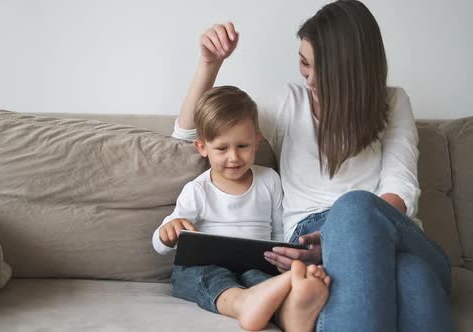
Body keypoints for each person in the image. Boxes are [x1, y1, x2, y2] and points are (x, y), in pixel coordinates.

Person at [172, 1, 454, 331]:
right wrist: (210, 63)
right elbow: (189, 135)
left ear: (356, 72)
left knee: (356, 207)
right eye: (305, 63)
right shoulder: (288, 103)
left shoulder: (392, 102)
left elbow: (400, 188)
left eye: (326, 71)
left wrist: (341, 235)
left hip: (390, 230)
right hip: (312, 240)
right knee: (413, 275)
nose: (311, 79)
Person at [152, 85, 331, 331]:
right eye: (222, 149)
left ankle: (290, 313)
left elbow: (279, 233)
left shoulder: (270, 180)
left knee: (261, 280)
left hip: (254, 267)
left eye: (243, 146)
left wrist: (282, 263)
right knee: (203, 276)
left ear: (257, 141)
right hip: (204, 266)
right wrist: (167, 232)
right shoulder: (198, 190)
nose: (234, 157)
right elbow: (160, 245)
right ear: (202, 147)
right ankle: (242, 303)